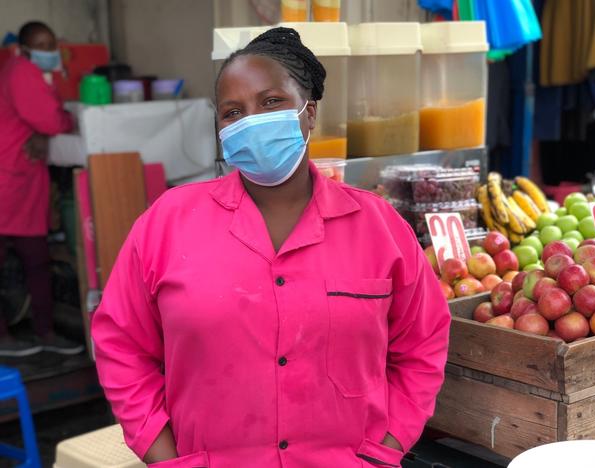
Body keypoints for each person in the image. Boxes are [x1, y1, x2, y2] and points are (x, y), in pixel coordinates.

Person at [92, 27, 451, 467]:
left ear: (310, 112)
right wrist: (163, 455)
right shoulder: (168, 222)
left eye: (271, 102)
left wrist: (384, 450)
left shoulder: (379, 227)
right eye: (232, 111)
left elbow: (422, 344)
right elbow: (120, 344)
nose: (251, 120)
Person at [0, 21, 84, 357]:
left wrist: (45, 128)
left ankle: (42, 331)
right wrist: (59, 122)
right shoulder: (22, 71)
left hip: (20, 176)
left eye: (52, 44)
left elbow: (40, 120)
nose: (49, 51)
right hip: (10, 178)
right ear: (24, 48)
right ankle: (24, 335)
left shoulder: (24, 71)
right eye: (42, 44)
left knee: (34, 257)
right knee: (31, 257)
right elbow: (50, 119)